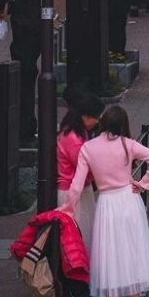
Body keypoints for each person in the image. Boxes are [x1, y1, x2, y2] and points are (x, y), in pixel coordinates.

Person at [64, 105, 149, 297]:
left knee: (110, 261)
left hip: (107, 205)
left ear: (102, 123)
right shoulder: (127, 145)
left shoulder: (88, 148)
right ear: (123, 124)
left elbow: (77, 184)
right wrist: (145, 184)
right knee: (131, 260)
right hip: (129, 203)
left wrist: (67, 208)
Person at [0, 0, 41, 144]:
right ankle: (29, 124)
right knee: (30, 66)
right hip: (36, 20)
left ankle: (24, 125)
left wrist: (1, 10)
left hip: (20, 19)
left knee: (21, 55)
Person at [56, 91, 104, 247]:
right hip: (74, 193)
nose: (97, 121)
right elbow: (85, 167)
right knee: (81, 240)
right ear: (85, 116)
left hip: (80, 190)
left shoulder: (75, 132)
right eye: (95, 117)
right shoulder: (74, 139)